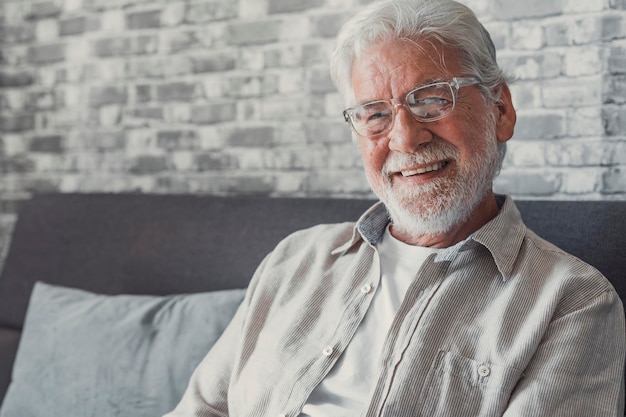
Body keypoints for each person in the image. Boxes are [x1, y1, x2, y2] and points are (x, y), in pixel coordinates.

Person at [164, 0, 625, 415]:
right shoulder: (294, 259)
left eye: (431, 99)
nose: (405, 138)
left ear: (500, 110)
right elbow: (202, 407)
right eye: (375, 114)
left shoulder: (574, 303)